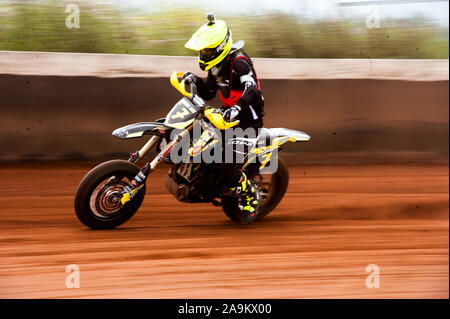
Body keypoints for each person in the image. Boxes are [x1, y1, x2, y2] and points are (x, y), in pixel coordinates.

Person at [183, 13, 265, 223]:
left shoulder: (240, 63)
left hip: (247, 123)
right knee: (195, 142)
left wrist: (237, 109)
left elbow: (251, 89)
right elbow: (209, 92)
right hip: (225, 118)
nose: (204, 54)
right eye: (203, 50)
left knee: (223, 162)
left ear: (221, 47)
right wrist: (194, 81)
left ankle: (249, 194)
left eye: (208, 50)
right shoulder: (217, 67)